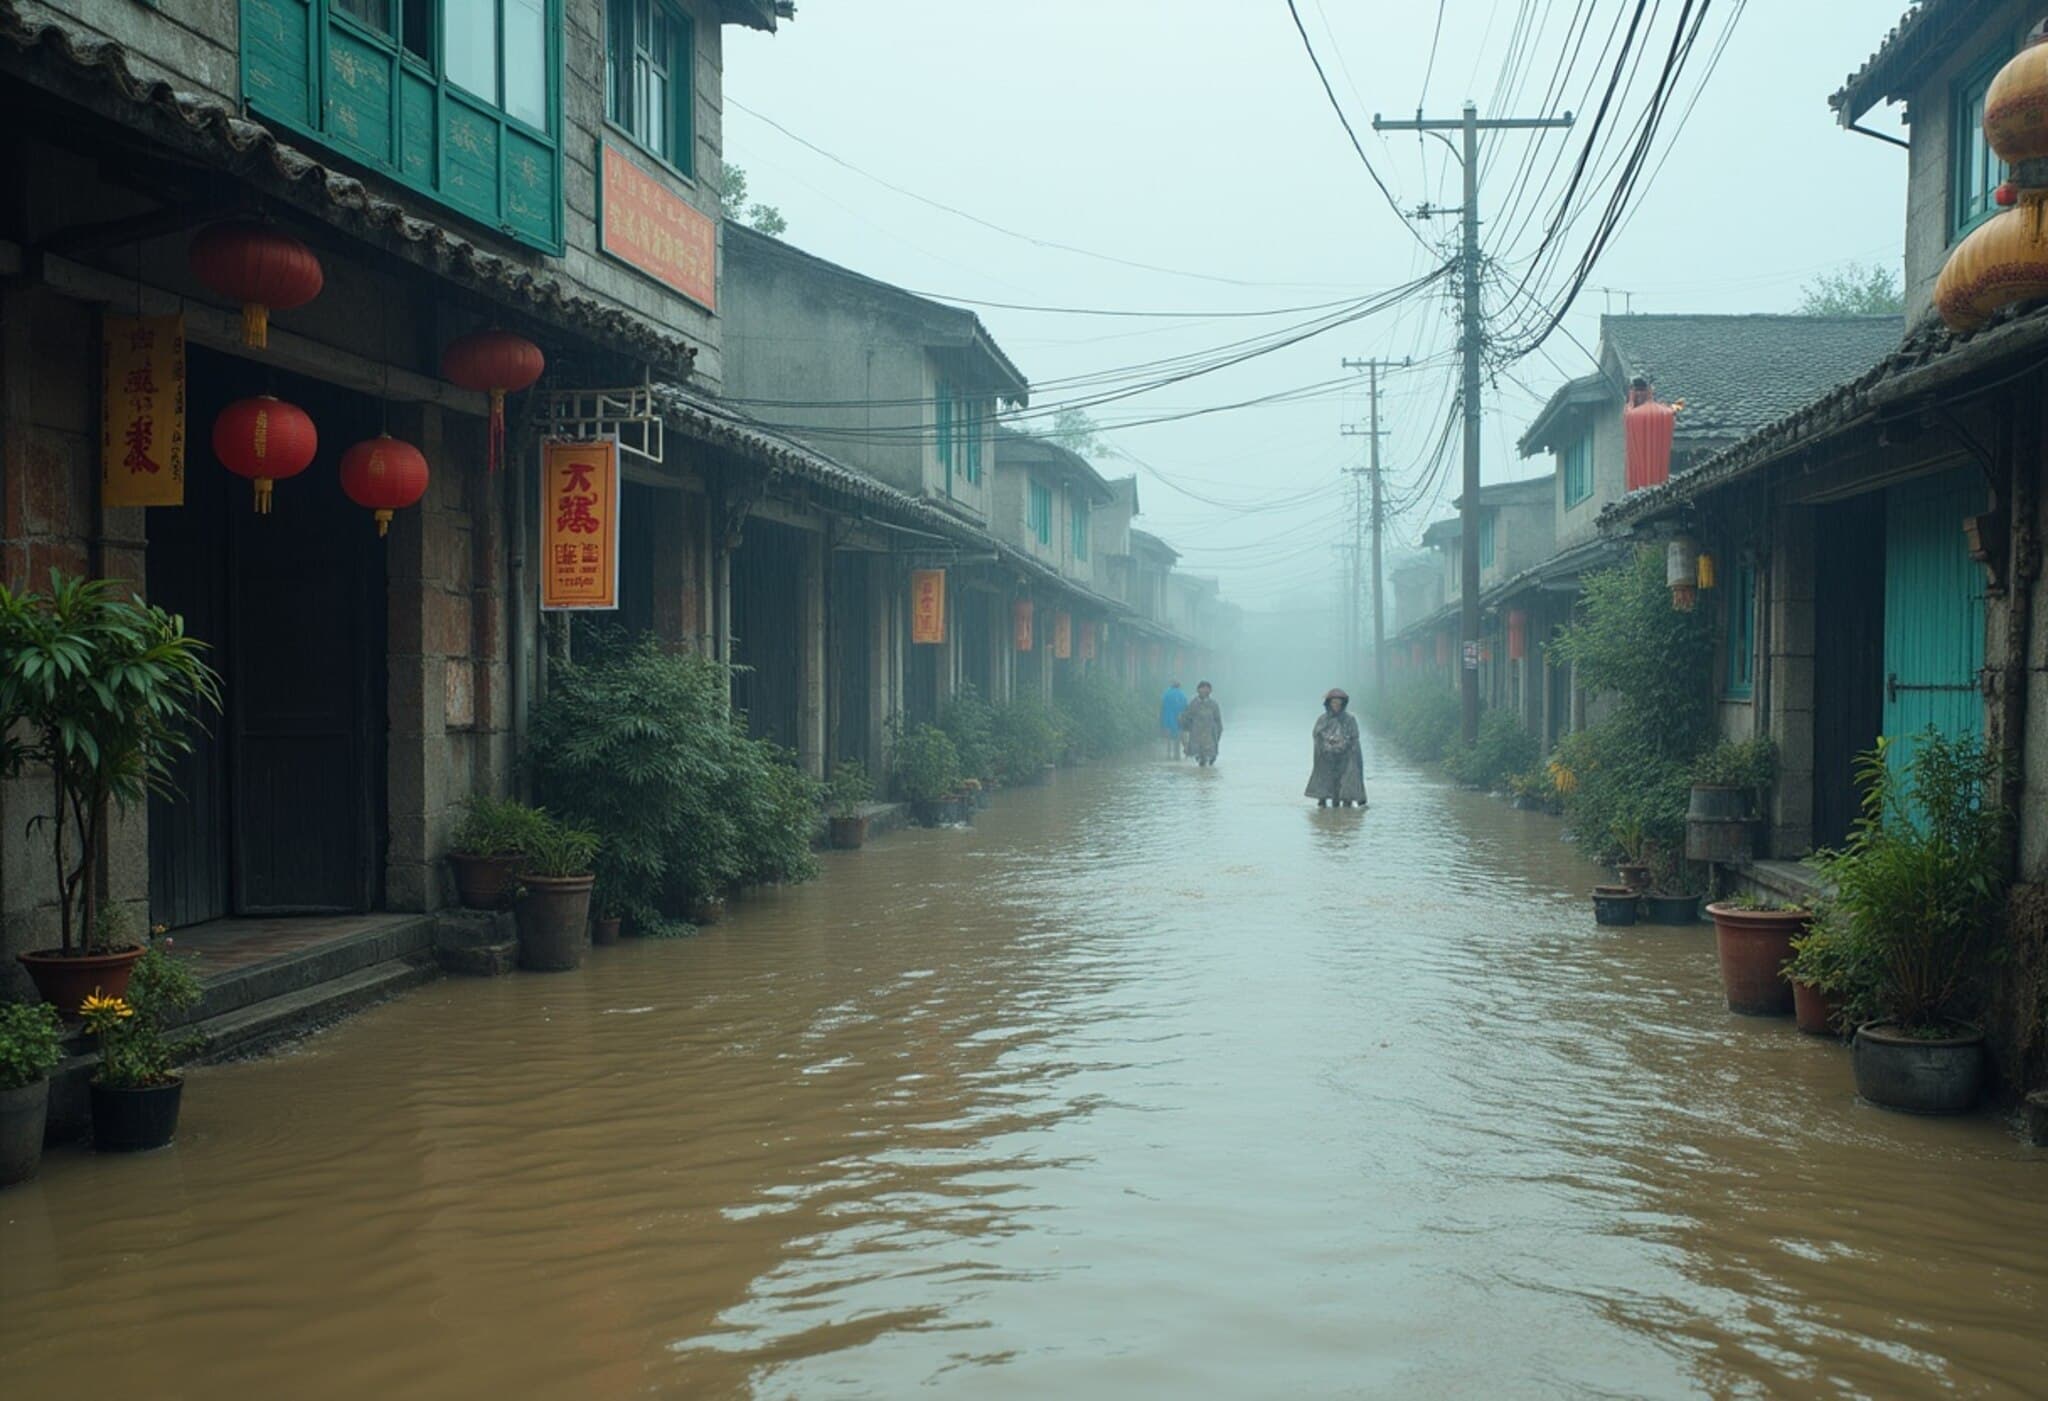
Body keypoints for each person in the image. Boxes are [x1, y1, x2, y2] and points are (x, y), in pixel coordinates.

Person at [1305, 687, 1367, 808]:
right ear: (1329, 704)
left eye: (1339, 703)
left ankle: (1346, 810)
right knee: (1327, 782)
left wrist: (1343, 743)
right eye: (1334, 703)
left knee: (1346, 784)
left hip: (1346, 757)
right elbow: (1317, 735)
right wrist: (1327, 743)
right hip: (1326, 757)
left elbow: (1354, 736)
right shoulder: (1323, 720)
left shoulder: (1350, 719)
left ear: (1343, 704)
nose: (1336, 706)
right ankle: (1325, 806)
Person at [1182, 681, 1223, 766]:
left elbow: (1218, 722)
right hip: (1196, 738)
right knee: (1200, 761)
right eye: (1202, 688)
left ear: (1210, 691)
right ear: (1198, 690)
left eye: (1207, 689)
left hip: (1210, 738)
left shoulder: (1214, 705)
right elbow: (1187, 719)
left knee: (1210, 760)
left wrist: (1218, 735)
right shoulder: (1193, 704)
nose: (1205, 691)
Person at [1159, 680, 1188, 759]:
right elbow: (1186, 707)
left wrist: (1161, 719)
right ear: (1179, 686)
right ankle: (1178, 754)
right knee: (1178, 737)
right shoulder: (1182, 694)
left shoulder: (1166, 694)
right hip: (1179, 718)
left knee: (1168, 738)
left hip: (1167, 719)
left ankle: (1168, 754)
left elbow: (1162, 706)